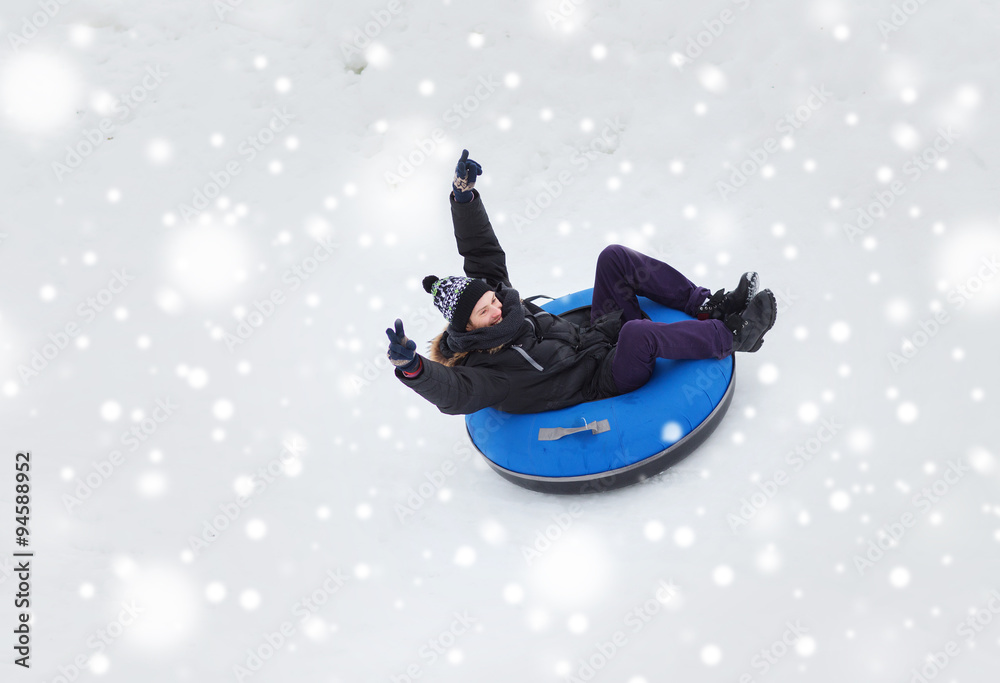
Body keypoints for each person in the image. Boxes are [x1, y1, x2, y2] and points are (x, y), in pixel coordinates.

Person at [386, 150, 777, 416]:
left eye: (492, 298)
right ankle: (732, 334)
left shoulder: (499, 303)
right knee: (641, 334)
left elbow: (482, 253)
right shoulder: (489, 370)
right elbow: (455, 393)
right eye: (484, 310)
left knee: (614, 257)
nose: (496, 307)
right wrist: (413, 369)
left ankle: (707, 306)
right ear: (466, 327)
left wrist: (464, 199)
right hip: (601, 379)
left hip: (595, 336)